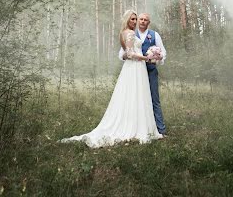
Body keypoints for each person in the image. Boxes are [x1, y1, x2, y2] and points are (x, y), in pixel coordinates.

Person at [59, 10, 163, 148]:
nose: (135, 21)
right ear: (127, 20)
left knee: (135, 96)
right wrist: (147, 58)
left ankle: (137, 124)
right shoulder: (131, 33)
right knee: (135, 95)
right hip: (135, 68)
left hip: (133, 68)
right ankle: (136, 127)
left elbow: (128, 53)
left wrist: (153, 56)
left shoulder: (124, 33)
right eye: (132, 19)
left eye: (135, 19)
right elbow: (130, 54)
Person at [119, 12, 167, 136]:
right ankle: (138, 127)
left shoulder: (154, 35)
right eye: (140, 19)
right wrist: (134, 56)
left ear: (148, 22)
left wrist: (158, 56)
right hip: (136, 72)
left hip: (150, 71)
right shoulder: (131, 33)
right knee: (137, 99)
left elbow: (163, 52)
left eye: (145, 20)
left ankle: (160, 129)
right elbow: (122, 54)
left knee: (154, 99)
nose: (142, 21)